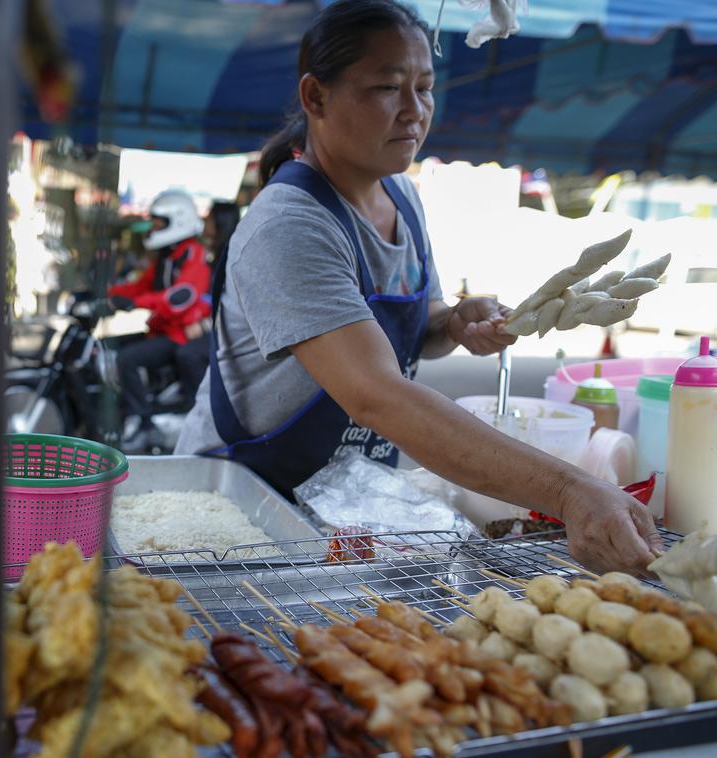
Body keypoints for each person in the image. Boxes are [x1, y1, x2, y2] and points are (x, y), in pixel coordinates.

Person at [175, 0, 661, 574]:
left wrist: (452, 321)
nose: (414, 112)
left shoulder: (402, 198)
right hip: (241, 510)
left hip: (336, 508)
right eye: (387, 87)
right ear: (316, 97)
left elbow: (421, 324)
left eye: (425, 88)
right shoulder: (290, 225)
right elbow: (376, 393)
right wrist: (569, 491)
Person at [109, 189, 211, 450]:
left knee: (127, 359)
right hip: (161, 331)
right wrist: (106, 293)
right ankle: (124, 414)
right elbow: (141, 286)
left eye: (158, 223)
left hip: (177, 335)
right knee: (109, 346)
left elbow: (179, 298)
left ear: (178, 221)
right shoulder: (168, 257)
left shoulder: (194, 255)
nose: (153, 228)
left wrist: (135, 303)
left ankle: (144, 425)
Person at [176, 201, 241, 405]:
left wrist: (202, 323)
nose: (205, 222)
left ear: (220, 222)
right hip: (212, 323)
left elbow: (226, 298)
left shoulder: (231, 253)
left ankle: (203, 406)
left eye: (209, 218)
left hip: (228, 327)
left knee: (188, 354)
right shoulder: (214, 253)